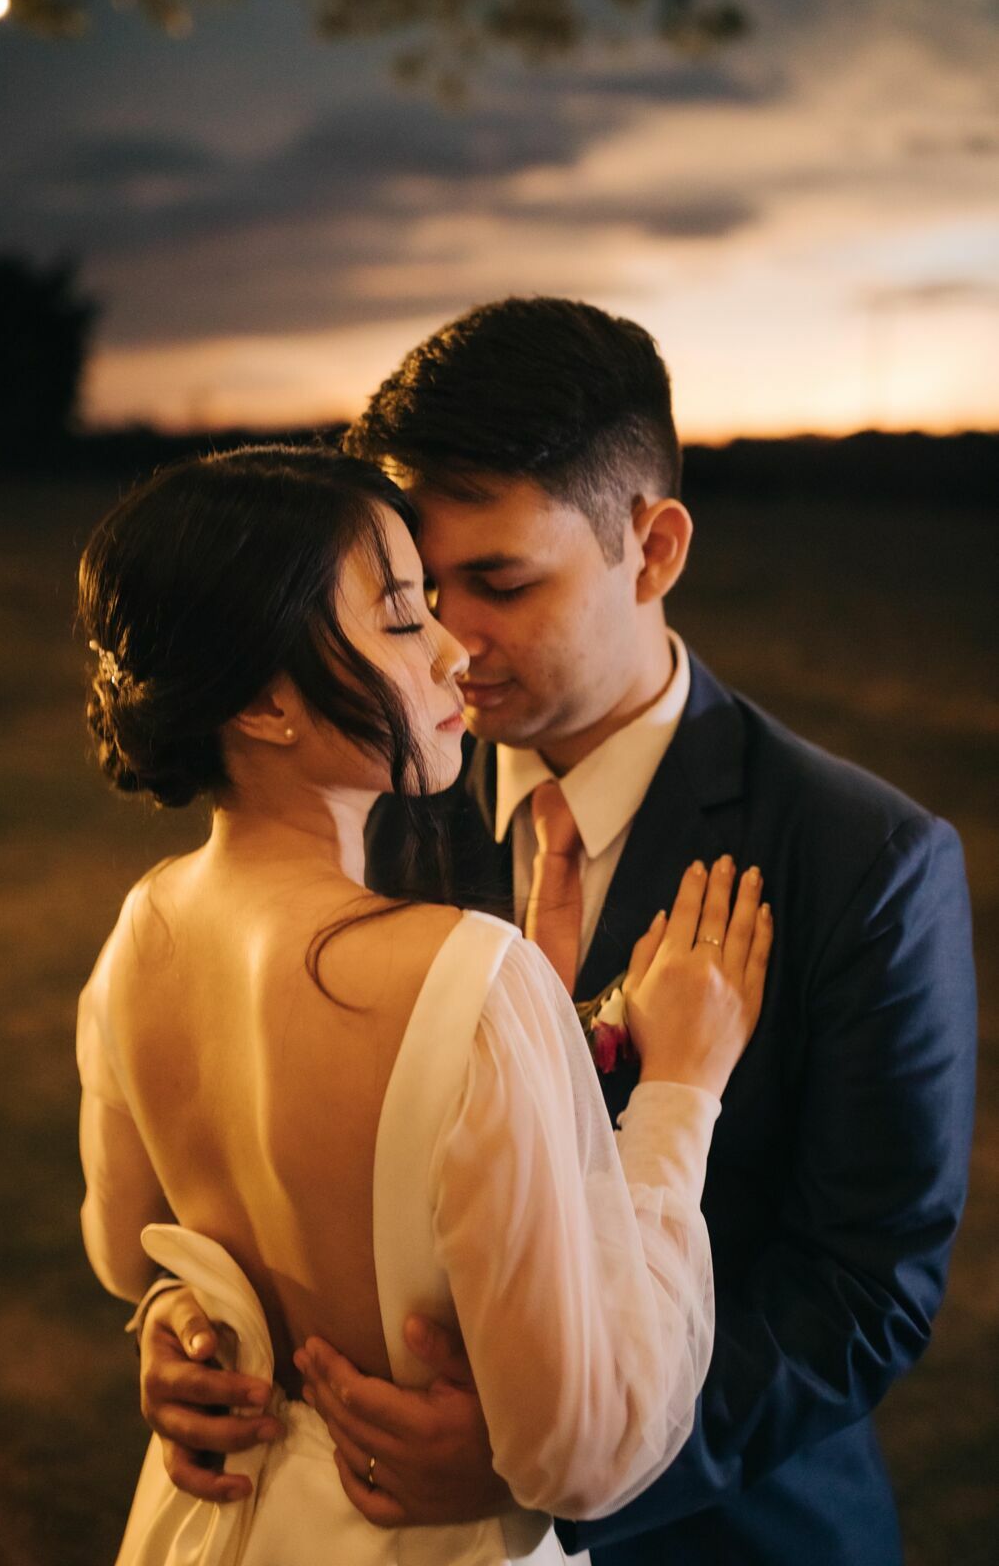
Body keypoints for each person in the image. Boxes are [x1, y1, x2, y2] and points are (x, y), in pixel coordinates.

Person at [139, 299, 978, 1566]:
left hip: (723, 1537)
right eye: (412, 591)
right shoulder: (375, 812)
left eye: (499, 582)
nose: (445, 643)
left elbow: (865, 1289)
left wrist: (557, 1456)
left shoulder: (865, 861)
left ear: (652, 548)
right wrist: (189, 1324)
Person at [76, 442, 773, 1565]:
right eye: (403, 619)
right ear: (262, 699)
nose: (453, 650)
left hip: (210, 1526)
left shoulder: (139, 932)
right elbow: (587, 1447)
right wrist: (680, 1091)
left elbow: (126, 1252)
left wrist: (181, 1321)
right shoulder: (467, 978)